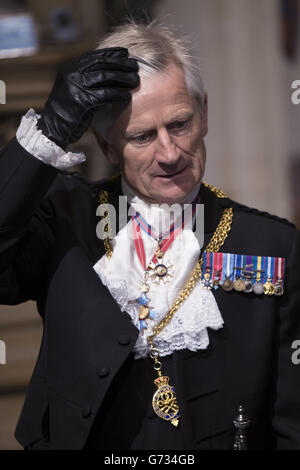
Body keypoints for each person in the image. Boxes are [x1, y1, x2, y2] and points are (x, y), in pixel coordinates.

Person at [0, 20, 300, 451]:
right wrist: (50, 128)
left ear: (205, 114)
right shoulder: (64, 218)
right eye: (142, 136)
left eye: (179, 124)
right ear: (106, 148)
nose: (170, 153)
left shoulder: (274, 246)